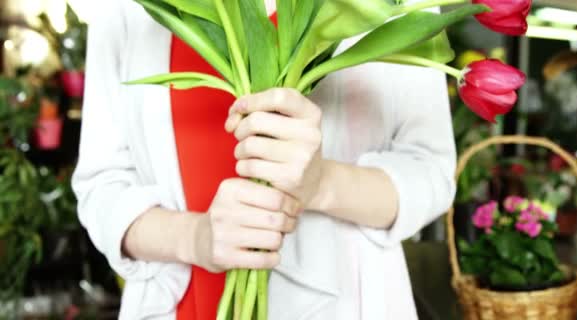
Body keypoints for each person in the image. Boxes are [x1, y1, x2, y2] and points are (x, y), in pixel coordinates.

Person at [72, 0, 456, 319]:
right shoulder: (123, 8)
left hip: (343, 303)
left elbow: (432, 171)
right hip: (182, 303)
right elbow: (101, 185)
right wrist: (197, 238)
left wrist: (319, 183)